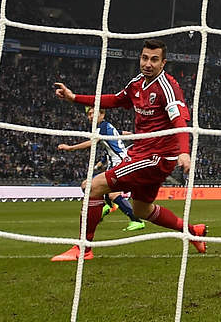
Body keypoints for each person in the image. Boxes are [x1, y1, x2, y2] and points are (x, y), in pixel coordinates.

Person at [49, 39, 207, 260]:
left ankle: (83, 249)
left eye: (154, 59)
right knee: (142, 210)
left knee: (92, 187)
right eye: (144, 58)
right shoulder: (137, 84)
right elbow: (114, 100)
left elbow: (180, 121)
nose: (148, 64)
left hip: (157, 157)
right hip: (144, 153)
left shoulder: (168, 88)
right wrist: (75, 98)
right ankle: (193, 232)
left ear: (163, 63)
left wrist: (184, 151)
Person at [57, 106, 145, 231]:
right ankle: (107, 206)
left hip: (119, 163)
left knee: (105, 191)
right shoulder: (107, 127)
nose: (91, 116)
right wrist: (133, 135)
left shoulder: (102, 127)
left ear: (102, 115)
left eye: (93, 113)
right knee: (88, 186)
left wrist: (70, 148)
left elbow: (92, 142)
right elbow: (120, 133)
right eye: (89, 114)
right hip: (116, 164)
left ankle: (135, 220)